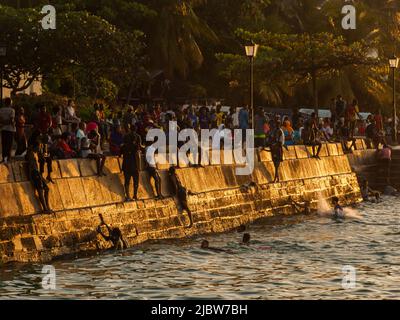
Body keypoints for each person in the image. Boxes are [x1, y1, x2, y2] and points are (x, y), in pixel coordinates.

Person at [26, 144, 52, 214]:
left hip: (37, 173)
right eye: (39, 147)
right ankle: (45, 208)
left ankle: (47, 206)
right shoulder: (31, 154)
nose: (40, 148)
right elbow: (30, 167)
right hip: (34, 174)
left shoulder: (35, 153)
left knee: (46, 189)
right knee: (40, 191)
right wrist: (31, 178)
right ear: (35, 146)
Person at [120, 133, 141, 201]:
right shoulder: (136, 146)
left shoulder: (123, 146)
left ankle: (128, 196)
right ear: (134, 140)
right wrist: (139, 167)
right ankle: (135, 195)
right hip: (134, 166)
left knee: (127, 182)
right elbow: (138, 156)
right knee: (136, 182)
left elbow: (120, 155)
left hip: (126, 166)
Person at [0, 98, 16, 163]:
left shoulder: (1, 110)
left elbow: (0, 119)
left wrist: (4, 123)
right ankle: (9, 158)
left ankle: (3, 158)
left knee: (4, 143)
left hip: (3, 128)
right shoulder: (12, 110)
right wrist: (13, 124)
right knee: (9, 144)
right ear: (10, 103)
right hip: (10, 129)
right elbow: (11, 120)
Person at [270, 119, 284, 183]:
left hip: (278, 148)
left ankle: (275, 179)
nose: (276, 125)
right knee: (275, 165)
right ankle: (277, 178)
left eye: (278, 124)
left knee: (277, 165)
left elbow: (280, 142)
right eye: (276, 124)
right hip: (274, 148)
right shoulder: (274, 131)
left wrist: (275, 143)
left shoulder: (280, 131)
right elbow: (272, 138)